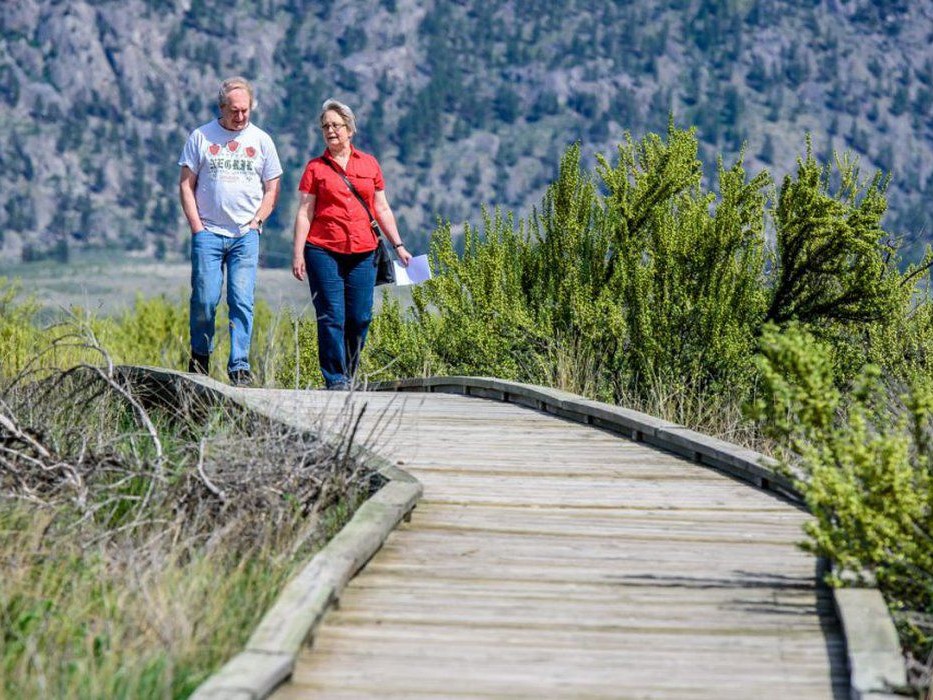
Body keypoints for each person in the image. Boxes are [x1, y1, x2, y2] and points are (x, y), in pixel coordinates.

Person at [292, 99, 412, 390]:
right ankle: (335, 379)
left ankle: (349, 371)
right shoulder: (315, 168)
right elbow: (305, 211)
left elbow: (381, 208)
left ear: (349, 129)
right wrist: (298, 253)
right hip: (323, 250)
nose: (330, 131)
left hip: (364, 251)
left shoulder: (369, 164)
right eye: (325, 126)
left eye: (336, 125)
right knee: (331, 315)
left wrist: (399, 245)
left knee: (359, 317)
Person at [178, 76, 282, 386]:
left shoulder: (261, 140)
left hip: (244, 235)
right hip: (208, 232)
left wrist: (257, 221)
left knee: (241, 299)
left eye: (245, 110)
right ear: (222, 107)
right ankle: (200, 356)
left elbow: (273, 186)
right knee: (205, 300)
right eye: (234, 110)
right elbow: (186, 184)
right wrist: (197, 228)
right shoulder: (201, 137)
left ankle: (239, 366)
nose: (240, 116)